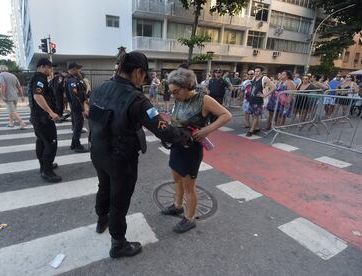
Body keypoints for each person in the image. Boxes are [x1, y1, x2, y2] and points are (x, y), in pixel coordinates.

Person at [89, 51, 193, 258]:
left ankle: (102, 219)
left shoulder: (100, 88)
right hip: (121, 157)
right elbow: (161, 127)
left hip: (98, 150)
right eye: (144, 76)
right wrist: (184, 136)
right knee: (119, 200)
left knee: (104, 185)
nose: (143, 81)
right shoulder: (136, 99)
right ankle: (118, 243)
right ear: (138, 72)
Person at [161, 68, 232, 233]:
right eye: (171, 92)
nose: (173, 96)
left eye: (176, 92)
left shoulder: (203, 99)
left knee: (189, 186)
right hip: (178, 145)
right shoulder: (180, 99)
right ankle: (178, 206)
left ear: (186, 86)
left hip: (191, 149)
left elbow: (226, 115)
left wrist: (207, 130)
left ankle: (190, 218)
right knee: (177, 179)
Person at [28, 58, 61, 183]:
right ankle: (47, 171)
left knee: (41, 142)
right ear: (42, 67)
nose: (51, 70)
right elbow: (37, 96)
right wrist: (51, 112)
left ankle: (44, 165)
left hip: (38, 118)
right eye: (49, 67)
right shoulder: (40, 79)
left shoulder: (37, 78)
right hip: (43, 119)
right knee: (51, 144)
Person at [66, 62, 89, 153]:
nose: (79, 70)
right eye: (77, 69)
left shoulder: (77, 78)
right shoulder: (71, 81)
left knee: (77, 125)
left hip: (79, 105)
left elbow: (82, 92)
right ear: (72, 69)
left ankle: (73, 144)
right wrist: (82, 110)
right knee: (78, 126)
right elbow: (75, 97)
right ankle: (77, 146)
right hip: (77, 107)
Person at [246, 66, 275, 136]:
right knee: (253, 115)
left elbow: (274, 87)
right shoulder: (254, 78)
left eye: (258, 71)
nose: (256, 72)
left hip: (259, 100)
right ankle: (257, 128)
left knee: (256, 115)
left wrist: (265, 95)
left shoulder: (264, 78)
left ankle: (251, 131)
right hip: (252, 99)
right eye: (255, 71)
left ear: (261, 72)